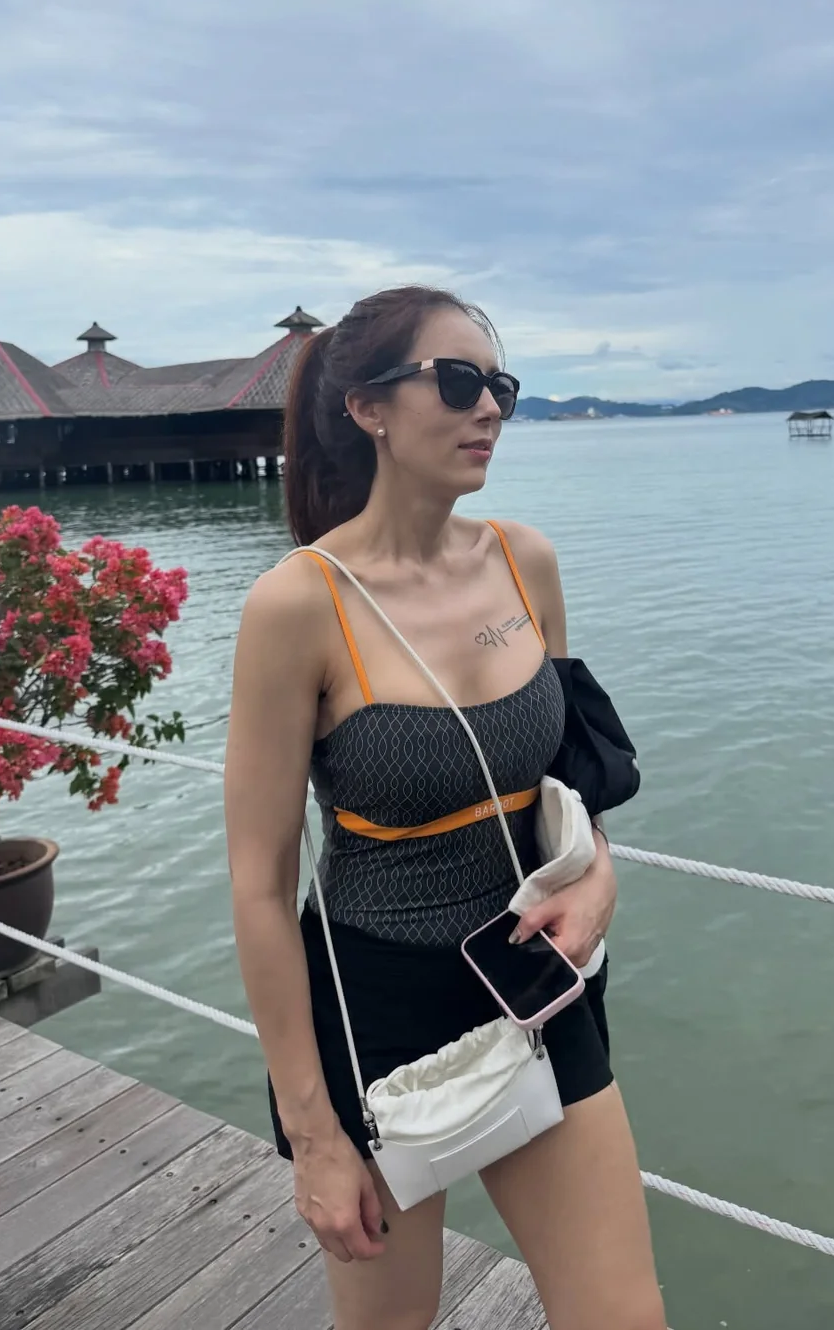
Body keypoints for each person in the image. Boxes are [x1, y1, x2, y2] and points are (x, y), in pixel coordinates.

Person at [225, 285, 665, 1330]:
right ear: (367, 408)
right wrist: (315, 1135)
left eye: (500, 385)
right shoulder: (299, 603)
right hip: (379, 1008)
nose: (490, 408)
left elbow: (571, 778)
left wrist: (598, 874)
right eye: (458, 381)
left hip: (535, 984)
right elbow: (257, 884)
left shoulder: (524, 559)